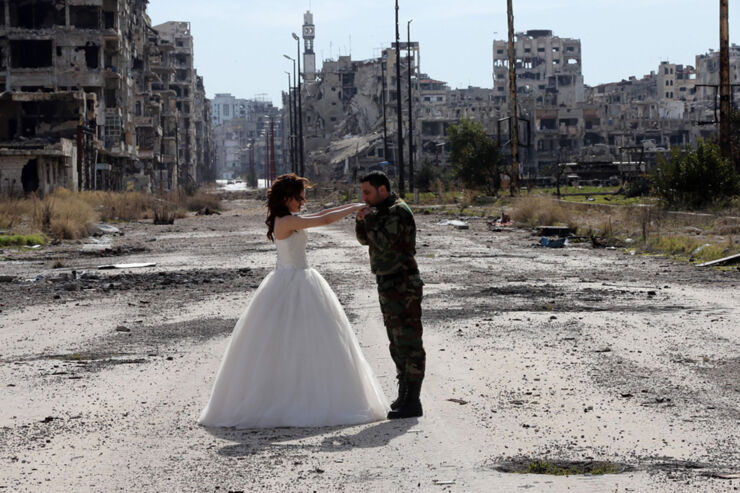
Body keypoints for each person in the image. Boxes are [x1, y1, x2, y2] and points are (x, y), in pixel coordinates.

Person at [198, 174, 388, 429]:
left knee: (305, 341)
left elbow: (324, 212)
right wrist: (354, 208)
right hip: (292, 281)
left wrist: (353, 206)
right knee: (287, 342)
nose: (303, 201)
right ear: (287, 197)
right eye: (299, 197)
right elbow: (323, 219)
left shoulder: (290, 218)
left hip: (298, 279)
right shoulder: (285, 221)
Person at [355, 171, 426, 420]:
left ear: (382, 190)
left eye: (367, 192)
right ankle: (404, 394)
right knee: (396, 342)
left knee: (409, 342)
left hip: (403, 283)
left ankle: (413, 400)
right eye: (362, 192)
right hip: (387, 282)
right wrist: (361, 220)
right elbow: (365, 240)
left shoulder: (397, 210)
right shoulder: (380, 211)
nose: (364, 197)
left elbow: (385, 241)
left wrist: (369, 220)